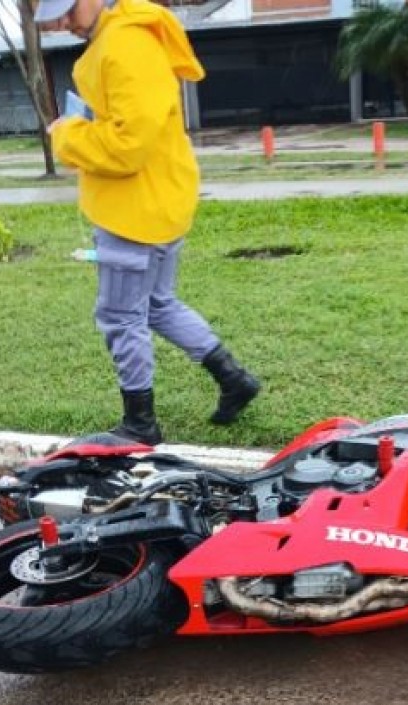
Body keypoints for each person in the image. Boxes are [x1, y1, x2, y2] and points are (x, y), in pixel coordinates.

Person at [33, 0, 260, 444]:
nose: (61, 25)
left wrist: (66, 133)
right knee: (158, 304)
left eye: (66, 10)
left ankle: (141, 423)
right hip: (158, 201)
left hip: (133, 210)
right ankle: (235, 380)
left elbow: (126, 146)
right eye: (51, 18)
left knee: (120, 316)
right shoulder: (125, 37)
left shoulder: (124, 44)